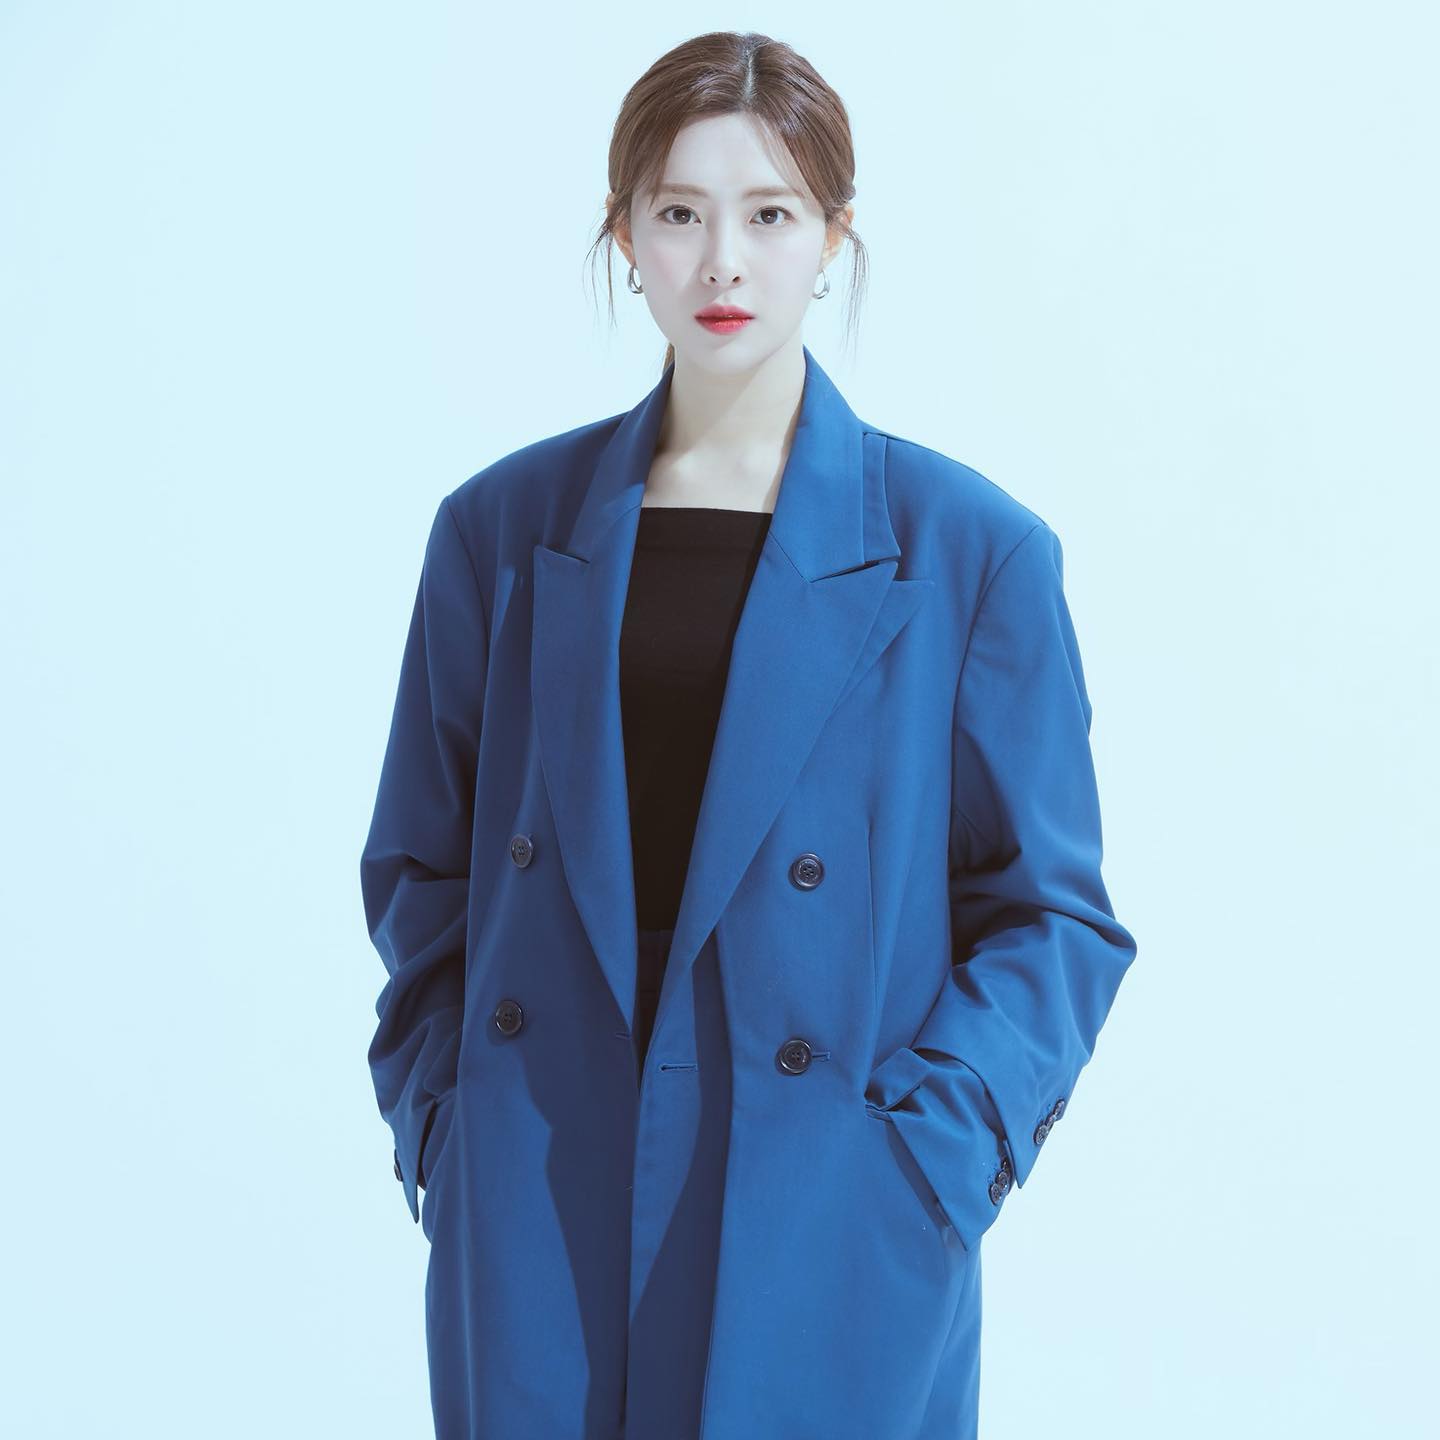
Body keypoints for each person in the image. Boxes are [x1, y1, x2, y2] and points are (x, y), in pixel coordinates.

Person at [360, 29, 1137, 1440]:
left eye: (770, 214)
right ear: (624, 235)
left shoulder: (967, 550)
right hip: (541, 1186)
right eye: (681, 212)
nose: (723, 262)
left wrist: (931, 1159)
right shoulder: (501, 534)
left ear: (834, 236)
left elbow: (1052, 917)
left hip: (825, 1207)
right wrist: (448, 1119)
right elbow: (421, 864)